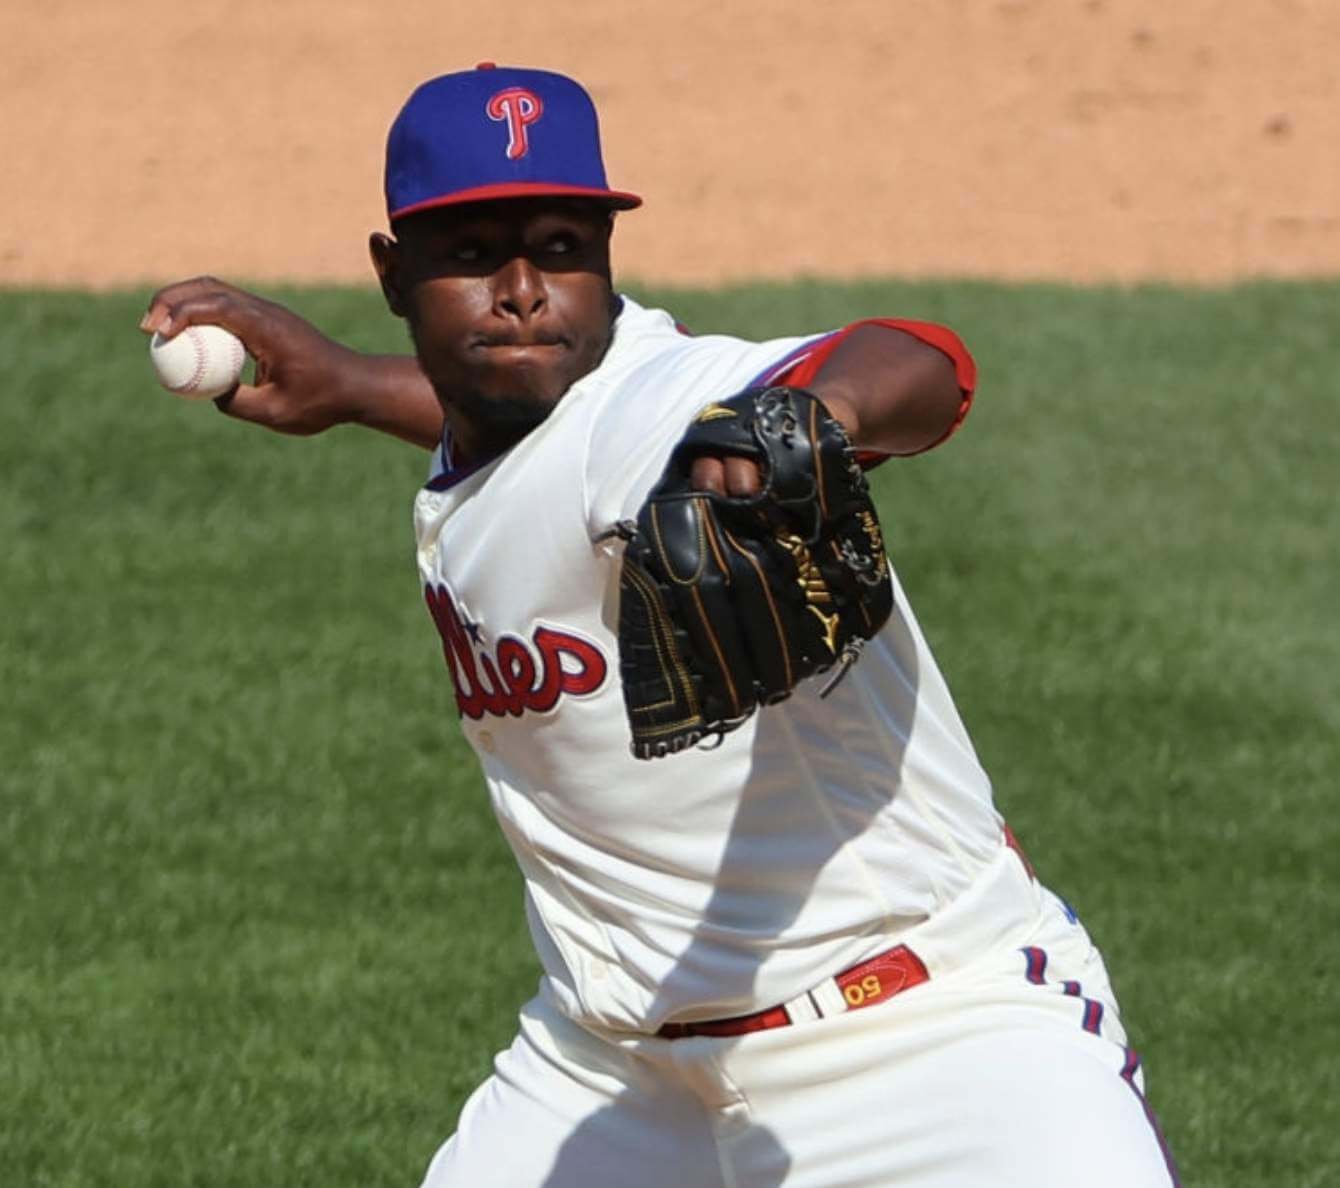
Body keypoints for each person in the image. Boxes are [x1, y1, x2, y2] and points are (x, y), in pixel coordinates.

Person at [142, 63, 1178, 1187]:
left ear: (606, 256)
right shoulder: (515, 420)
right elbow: (522, 448)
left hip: (925, 1041)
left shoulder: (661, 403)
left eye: (558, 248)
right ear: (393, 275)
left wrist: (810, 414)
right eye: (472, 256)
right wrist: (351, 385)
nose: (523, 290)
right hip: (612, 1073)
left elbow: (921, 357)